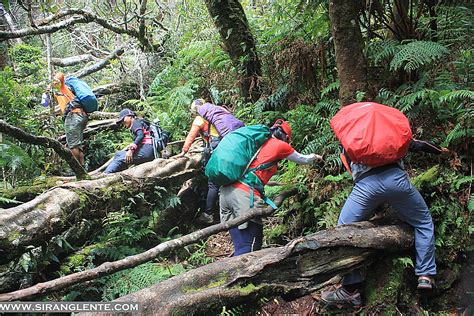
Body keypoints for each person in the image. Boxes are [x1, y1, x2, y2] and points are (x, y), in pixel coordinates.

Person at [321, 139, 449, 308]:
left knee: (343, 230)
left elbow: (351, 170)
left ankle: (351, 291)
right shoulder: (388, 131)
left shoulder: (351, 137)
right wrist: (441, 151)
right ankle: (425, 275)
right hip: (397, 181)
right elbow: (418, 144)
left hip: (366, 187)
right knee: (423, 222)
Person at [220, 119, 322, 256]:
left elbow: (252, 171)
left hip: (226, 192)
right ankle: (241, 277)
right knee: (250, 248)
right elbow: (302, 159)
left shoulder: (257, 143)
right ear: (285, 136)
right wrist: (316, 156)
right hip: (243, 196)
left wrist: (272, 183)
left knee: (240, 247)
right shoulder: (279, 145)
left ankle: (231, 275)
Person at [180, 99, 244, 224]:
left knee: (213, 183)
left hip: (216, 147)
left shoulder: (200, 119)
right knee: (232, 177)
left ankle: (208, 214)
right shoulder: (219, 113)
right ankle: (237, 209)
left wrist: (184, 150)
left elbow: (191, 135)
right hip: (230, 144)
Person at [48, 72, 88, 166]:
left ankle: (77, 171)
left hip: (73, 116)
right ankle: (82, 170)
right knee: (78, 145)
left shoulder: (62, 87)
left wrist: (51, 83)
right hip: (81, 116)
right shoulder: (62, 93)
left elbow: (60, 75)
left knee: (73, 145)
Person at [104, 109, 155, 174]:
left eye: (123, 119)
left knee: (118, 160)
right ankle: (119, 173)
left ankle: (106, 175)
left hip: (146, 151)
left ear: (130, 117)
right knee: (118, 154)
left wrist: (131, 150)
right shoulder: (138, 122)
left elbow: (140, 135)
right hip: (148, 149)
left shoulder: (135, 123)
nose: (122, 122)